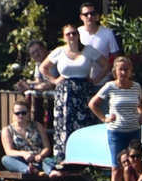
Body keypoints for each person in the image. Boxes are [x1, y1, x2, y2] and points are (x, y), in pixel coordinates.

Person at [40, 25, 105, 157]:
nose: (71, 36)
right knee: (64, 124)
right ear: (64, 37)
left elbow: (107, 65)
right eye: (68, 34)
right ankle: (64, 158)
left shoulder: (88, 50)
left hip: (84, 91)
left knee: (85, 124)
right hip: (65, 92)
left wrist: (95, 80)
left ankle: (85, 158)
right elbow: (43, 68)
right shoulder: (59, 51)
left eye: (74, 33)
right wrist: (54, 80)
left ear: (78, 35)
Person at [89, 56, 142, 166]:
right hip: (117, 132)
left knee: (135, 165)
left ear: (130, 71)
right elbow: (92, 104)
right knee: (117, 167)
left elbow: (138, 105)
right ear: (115, 71)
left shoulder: (136, 86)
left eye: (126, 69)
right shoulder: (110, 86)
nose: (123, 72)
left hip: (134, 130)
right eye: (121, 69)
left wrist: (141, 114)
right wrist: (104, 118)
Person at [0, 103, 57, 176]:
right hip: (22, 161)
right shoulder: (7, 130)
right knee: (5, 159)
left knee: (49, 161)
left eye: (24, 113)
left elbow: (47, 147)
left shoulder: (37, 125)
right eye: (17, 113)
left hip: (39, 160)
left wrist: (41, 155)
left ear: (28, 113)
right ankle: (28, 170)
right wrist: (23, 154)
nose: (21, 116)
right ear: (13, 114)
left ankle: (50, 172)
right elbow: (8, 151)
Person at [77, 1, 119, 77]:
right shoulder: (77, 33)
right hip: (82, 80)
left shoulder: (107, 33)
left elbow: (116, 57)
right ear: (81, 17)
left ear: (96, 16)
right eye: (86, 14)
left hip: (104, 80)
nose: (89, 16)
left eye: (92, 14)